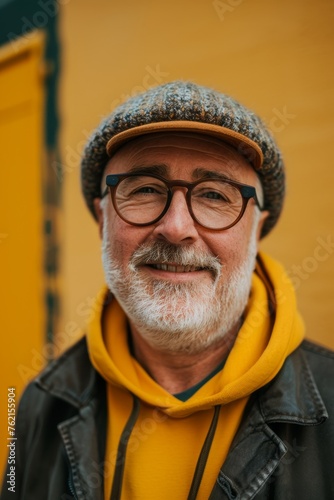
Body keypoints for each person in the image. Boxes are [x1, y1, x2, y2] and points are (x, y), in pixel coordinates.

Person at [2, 81, 334, 500]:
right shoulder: (38, 406)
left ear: (257, 230)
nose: (176, 228)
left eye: (215, 195)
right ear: (102, 220)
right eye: (144, 189)